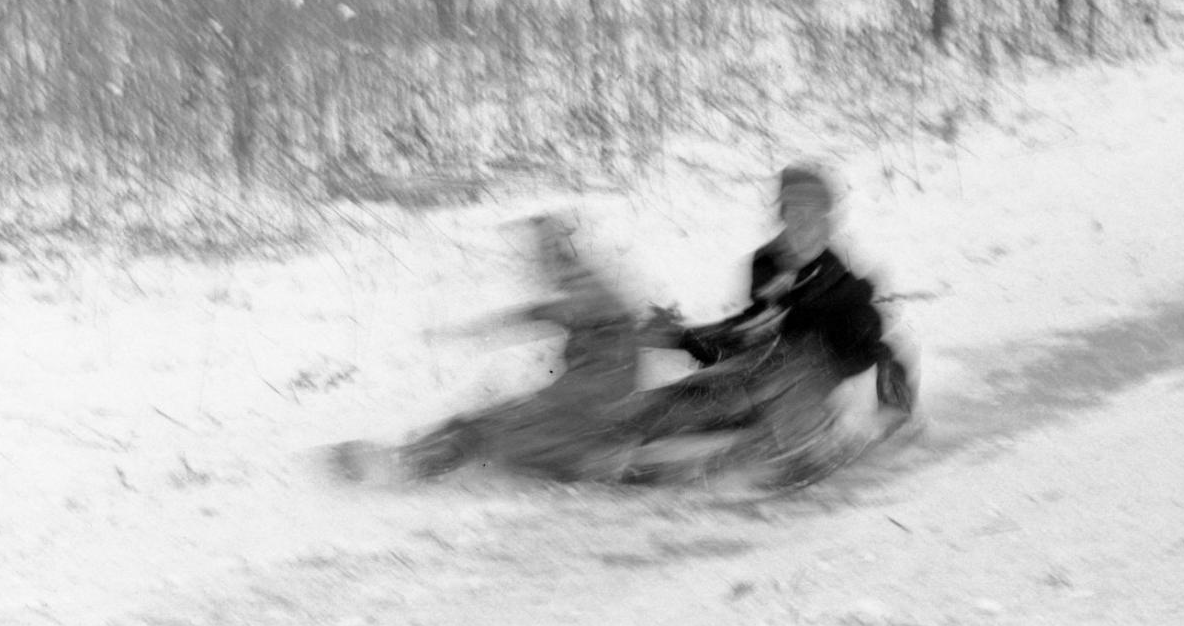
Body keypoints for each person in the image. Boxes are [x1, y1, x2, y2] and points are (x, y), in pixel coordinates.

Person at [621, 164, 911, 486]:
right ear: (782, 217)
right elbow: (751, 327)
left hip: (809, 380)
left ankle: (772, 454)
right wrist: (681, 338)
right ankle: (624, 434)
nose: (802, 223)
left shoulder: (840, 284)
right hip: (761, 364)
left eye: (812, 212)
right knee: (700, 392)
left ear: (827, 221)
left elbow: (868, 344)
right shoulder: (768, 265)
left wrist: (888, 397)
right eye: (793, 212)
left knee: (785, 380)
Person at [365, 213, 645, 483]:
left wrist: (468, 332)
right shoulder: (590, 290)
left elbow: (533, 315)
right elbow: (541, 314)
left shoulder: (587, 295)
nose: (541, 267)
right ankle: (416, 457)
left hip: (587, 396)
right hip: (591, 395)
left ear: (560, 254)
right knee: (499, 425)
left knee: (491, 428)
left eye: (546, 256)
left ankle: (407, 464)